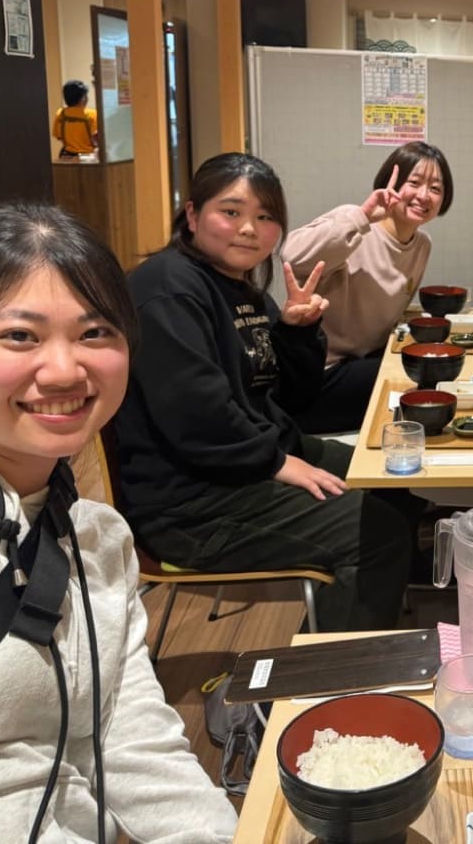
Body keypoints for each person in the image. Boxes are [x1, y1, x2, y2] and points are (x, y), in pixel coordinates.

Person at [0, 203, 235, 841]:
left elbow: (127, 733)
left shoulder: (100, 541)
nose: (63, 371)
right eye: (19, 336)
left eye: (95, 333)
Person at [113, 153, 410, 631]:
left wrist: (295, 331)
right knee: (379, 533)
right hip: (192, 507)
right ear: (192, 215)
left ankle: (377, 610)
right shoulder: (167, 288)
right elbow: (196, 415)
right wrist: (275, 463)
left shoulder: (243, 290)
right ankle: (336, 668)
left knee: (392, 476)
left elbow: (295, 399)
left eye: (265, 216)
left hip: (246, 463)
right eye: (231, 212)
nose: (249, 229)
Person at [284, 141, 453, 434]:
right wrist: (362, 217)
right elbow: (292, 255)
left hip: (365, 360)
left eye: (435, 188)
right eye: (414, 183)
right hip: (321, 373)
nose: (424, 195)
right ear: (392, 182)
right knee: (418, 382)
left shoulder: (422, 245)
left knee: (436, 365)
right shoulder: (356, 223)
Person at [52, 79, 99, 160]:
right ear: (83, 98)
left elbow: (58, 137)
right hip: (88, 158)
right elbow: (96, 138)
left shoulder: (60, 113)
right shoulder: (93, 114)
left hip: (67, 157)